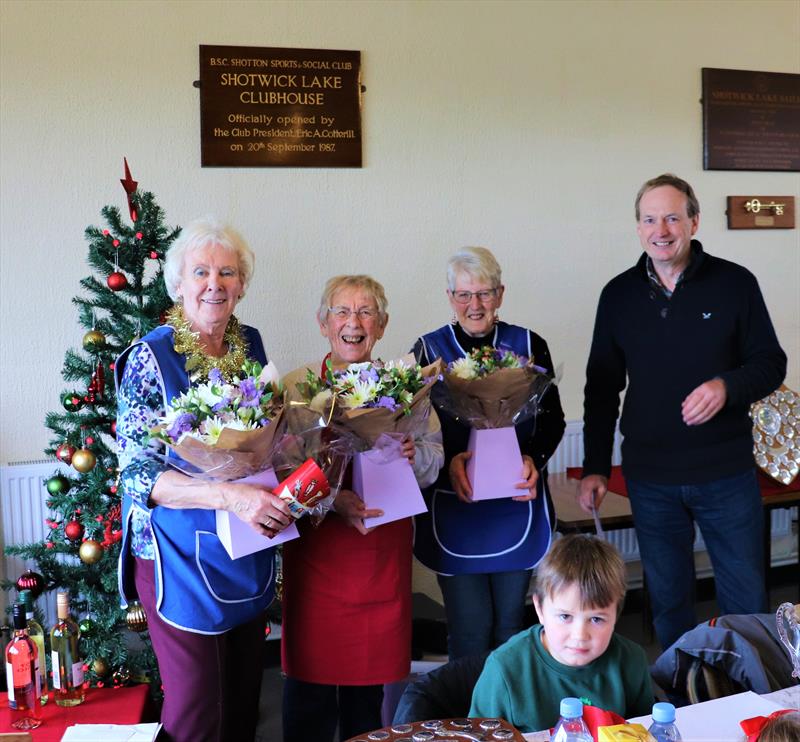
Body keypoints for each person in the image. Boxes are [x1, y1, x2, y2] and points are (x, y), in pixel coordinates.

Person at [579, 174, 787, 650]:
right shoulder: (618, 295)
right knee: (669, 602)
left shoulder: (735, 283)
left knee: (745, 599)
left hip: (725, 473)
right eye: (650, 219)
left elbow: (770, 363)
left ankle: (753, 703)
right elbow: (602, 387)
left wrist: (726, 386)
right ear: (638, 229)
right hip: (651, 478)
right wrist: (594, 467)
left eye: (673, 217)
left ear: (694, 221)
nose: (662, 229)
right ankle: (682, 700)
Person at [115, 218, 292, 742]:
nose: (214, 283)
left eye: (227, 272)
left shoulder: (251, 345)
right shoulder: (150, 357)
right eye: (201, 272)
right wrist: (229, 496)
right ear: (178, 285)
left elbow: (267, 436)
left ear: (241, 284)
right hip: (178, 556)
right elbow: (137, 474)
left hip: (241, 548)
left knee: (241, 706)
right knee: (197, 713)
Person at [280, 275, 444, 742]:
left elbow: (434, 462)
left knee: (367, 704)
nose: (354, 323)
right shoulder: (298, 387)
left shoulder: (407, 388)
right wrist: (332, 500)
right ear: (322, 322)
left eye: (366, 312)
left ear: (383, 324)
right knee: (307, 694)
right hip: (318, 558)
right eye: (342, 312)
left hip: (379, 555)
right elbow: (281, 473)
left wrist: (414, 455)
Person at [411, 246, 565, 660]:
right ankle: (471, 722)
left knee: (511, 629)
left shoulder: (530, 345)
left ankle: (511, 720)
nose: (474, 305)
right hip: (455, 507)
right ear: (450, 298)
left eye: (484, 294)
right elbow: (412, 433)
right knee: (469, 630)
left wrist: (533, 459)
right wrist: (450, 463)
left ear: (500, 295)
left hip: (516, 503)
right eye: (464, 295)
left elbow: (553, 421)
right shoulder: (427, 352)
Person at [468, 534, 653, 733]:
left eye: (596, 619)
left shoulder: (632, 660)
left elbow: (642, 732)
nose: (580, 635)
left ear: (616, 614)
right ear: (539, 609)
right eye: (565, 616)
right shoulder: (504, 670)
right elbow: (478, 737)